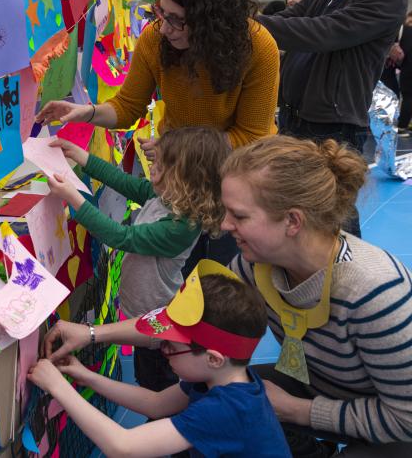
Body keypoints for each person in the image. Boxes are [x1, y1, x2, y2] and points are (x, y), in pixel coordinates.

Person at [36, 0, 279, 271]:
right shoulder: (156, 38)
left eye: (177, 20)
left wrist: (176, 151)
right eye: (160, 12)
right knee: (175, 278)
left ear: (212, 22)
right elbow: (126, 106)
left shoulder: (258, 47)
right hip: (181, 179)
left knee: (222, 281)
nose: (164, 27)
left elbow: (252, 138)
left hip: (236, 185)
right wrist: (86, 112)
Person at [222, 135, 412, 456]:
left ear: (292, 221)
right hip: (317, 387)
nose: (225, 225)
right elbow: (193, 316)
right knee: (217, 400)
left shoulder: (375, 292)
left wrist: (295, 410)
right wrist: (105, 333)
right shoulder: (255, 262)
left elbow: (405, 417)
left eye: (239, 216)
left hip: (394, 424)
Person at [30, 263, 291, 458]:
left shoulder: (228, 409)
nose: (162, 349)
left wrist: (58, 387)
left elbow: (123, 446)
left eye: (171, 346)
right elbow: (155, 404)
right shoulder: (220, 380)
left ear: (213, 358)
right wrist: (86, 375)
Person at [47, 127, 229, 391]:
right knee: (148, 375)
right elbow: (123, 182)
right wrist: (81, 156)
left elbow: (122, 236)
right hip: (143, 311)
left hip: (158, 319)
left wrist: (74, 199)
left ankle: (162, 420)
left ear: (184, 179)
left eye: (160, 167)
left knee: (158, 380)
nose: (151, 171)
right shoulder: (165, 198)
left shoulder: (180, 226)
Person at [258, 0, 407, 154]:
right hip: (293, 116)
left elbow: (323, 32)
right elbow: (285, 20)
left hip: (332, 128)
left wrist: (247, 23)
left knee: (324, 190)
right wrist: (247, 24)